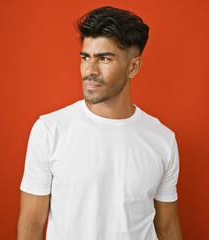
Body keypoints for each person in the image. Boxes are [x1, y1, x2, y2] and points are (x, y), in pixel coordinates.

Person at [17, 6, 183, 240]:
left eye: (104, 58)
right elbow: (32, 226)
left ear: (133, 67)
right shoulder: (49, 130)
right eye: (85, 58)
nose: (90, 70)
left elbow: (168, 228)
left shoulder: (162, 139)